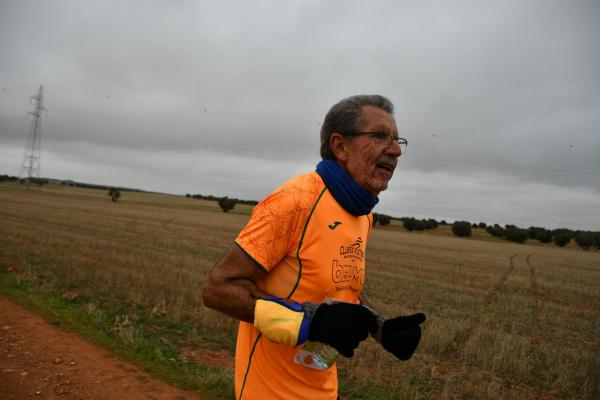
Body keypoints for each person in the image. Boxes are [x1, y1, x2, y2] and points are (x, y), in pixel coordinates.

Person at [202, 95, 426, 400]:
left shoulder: (362, 215)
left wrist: (379, 326)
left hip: (322, 389)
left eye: (397, 140)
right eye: (379, 136)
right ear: (340, 146)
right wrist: (309, 320)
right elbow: (217, 289)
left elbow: (339, 290)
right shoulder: (294, 201)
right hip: (268, 392)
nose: (396, 150)